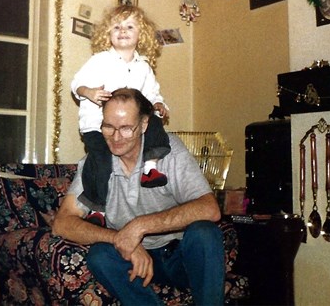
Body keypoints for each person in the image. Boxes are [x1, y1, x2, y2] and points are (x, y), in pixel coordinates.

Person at [53, 88, 225, 305]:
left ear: (144, 125)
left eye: (125, 128)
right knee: (100, 255)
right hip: (132, 262)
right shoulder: (95, 163)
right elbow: (62, 222)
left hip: (178, 256)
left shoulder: (168, 151)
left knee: (204, 233)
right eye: (108, 127)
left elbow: (210, 209)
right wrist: (120, 238)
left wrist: (139, 226)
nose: (115, 137)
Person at [71, 5, 171, 214]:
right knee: (102, 160)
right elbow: (76, 84)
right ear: (108, 33)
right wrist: (88, 92)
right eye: (117, 27)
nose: (123, 31)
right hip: (97, 126)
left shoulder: (143, 67)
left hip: (129, 127)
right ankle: (99, 210)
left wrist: (159, 105)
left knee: (153, 120)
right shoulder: (99, 61)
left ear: (141, 35)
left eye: (129, 27)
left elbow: (152, 94)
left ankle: (150, 168)